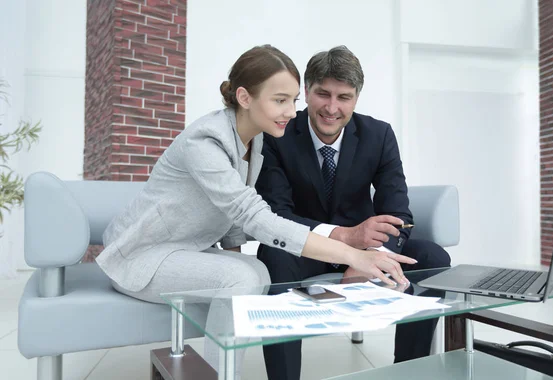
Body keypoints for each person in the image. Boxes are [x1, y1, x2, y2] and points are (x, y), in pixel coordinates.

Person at [95, 45, 416, 377]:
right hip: (143, 255)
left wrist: (232, 254)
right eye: (280, 100)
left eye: (293, 101)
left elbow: (234, 210)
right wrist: (354, 256)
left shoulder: (256, 140)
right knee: (243, 276)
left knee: (256, 272)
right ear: (245, 98)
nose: (292, 112)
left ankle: (221, 369)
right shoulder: (204, 144)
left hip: (189, 251)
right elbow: (253, 215)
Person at [255, 45, 451, 380]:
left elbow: (397, 212)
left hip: (364, 245)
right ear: (306, 91)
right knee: (273, 256)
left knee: (433, 257)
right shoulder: (278, 134)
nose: (332, 108)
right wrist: (344, 242)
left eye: (344, 97)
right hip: (306, 247)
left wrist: (371, 258)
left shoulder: (379, 135)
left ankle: (407, 369)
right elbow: (276, 215)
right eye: (323, 94)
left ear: (357, 97)